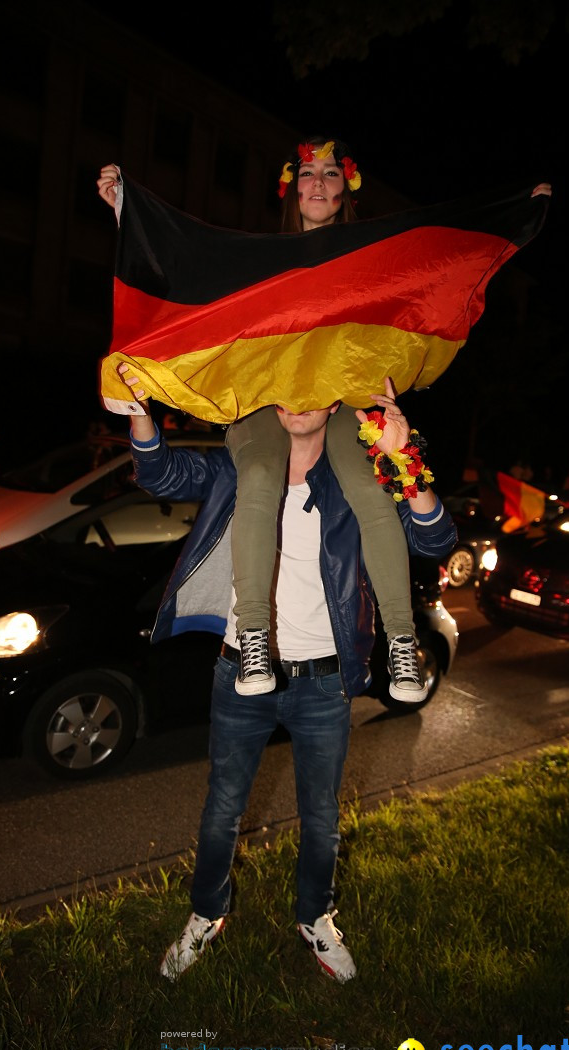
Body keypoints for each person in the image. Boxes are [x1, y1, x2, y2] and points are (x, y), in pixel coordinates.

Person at [114, 364, 457, 983]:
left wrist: (403, 457)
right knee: (223, 807)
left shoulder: (356, 485)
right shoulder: (237, 470)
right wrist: (139, 409)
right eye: (286, 389)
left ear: (334, 405)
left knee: (321, 814)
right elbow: (160, 472)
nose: (299, 401)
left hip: (323, 679)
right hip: (239, 669)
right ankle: (205, 916)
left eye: (314, 391)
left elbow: (435, 539)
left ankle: (316, 919)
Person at [97, 139, 430, 707]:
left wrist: (508, 217)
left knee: (372, 494)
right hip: (266, 396)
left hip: (344, 396)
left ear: (346, 187)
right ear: (291, 186)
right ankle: (254, 635)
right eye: (308, 172)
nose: (319, 183)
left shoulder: (366, 258)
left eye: (330, 173)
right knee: (255, 479)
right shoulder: (260, 256)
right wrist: (131, 212)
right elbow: (191, 261)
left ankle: (401, 642)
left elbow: (430, 267)